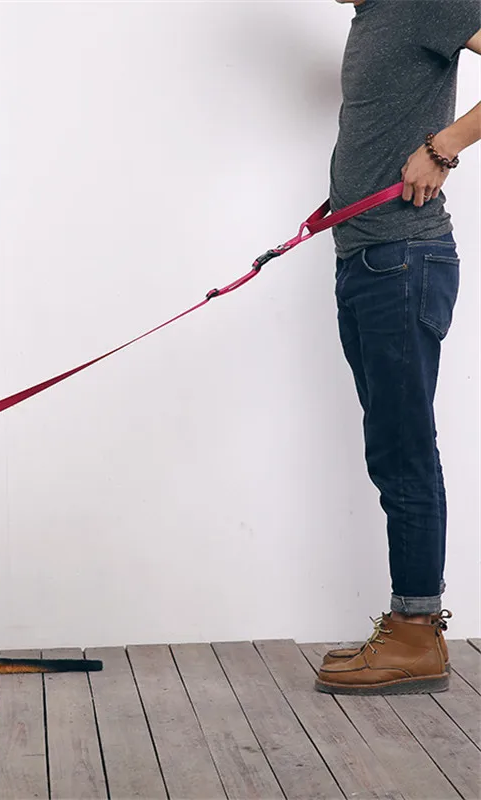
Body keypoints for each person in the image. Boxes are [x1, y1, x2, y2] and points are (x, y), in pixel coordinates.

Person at [315, 0, 481, 695]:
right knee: (391, 444)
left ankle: (415, 632)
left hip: (403, 260)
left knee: (403, 445)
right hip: (365, 259)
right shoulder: (372, 16)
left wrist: (444, 147)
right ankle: (411, 626)